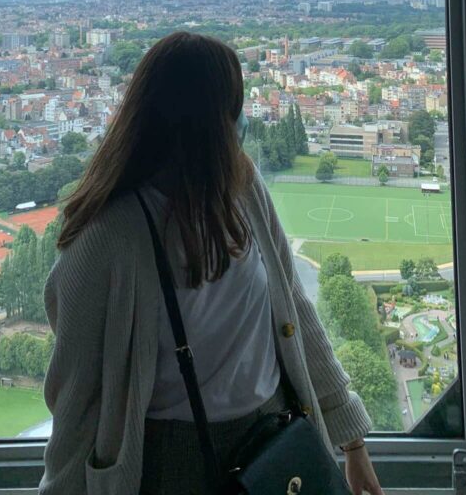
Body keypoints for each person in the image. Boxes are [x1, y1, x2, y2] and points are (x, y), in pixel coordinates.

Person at [40, 31, 383, 495]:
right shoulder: (109, 236)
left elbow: (295, 311)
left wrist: (352, 441)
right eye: (234, 107)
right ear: (209, 121)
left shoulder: (242, 188)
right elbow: (77, 404)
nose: (240, 121)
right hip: (172, 463)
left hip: (275, 440)